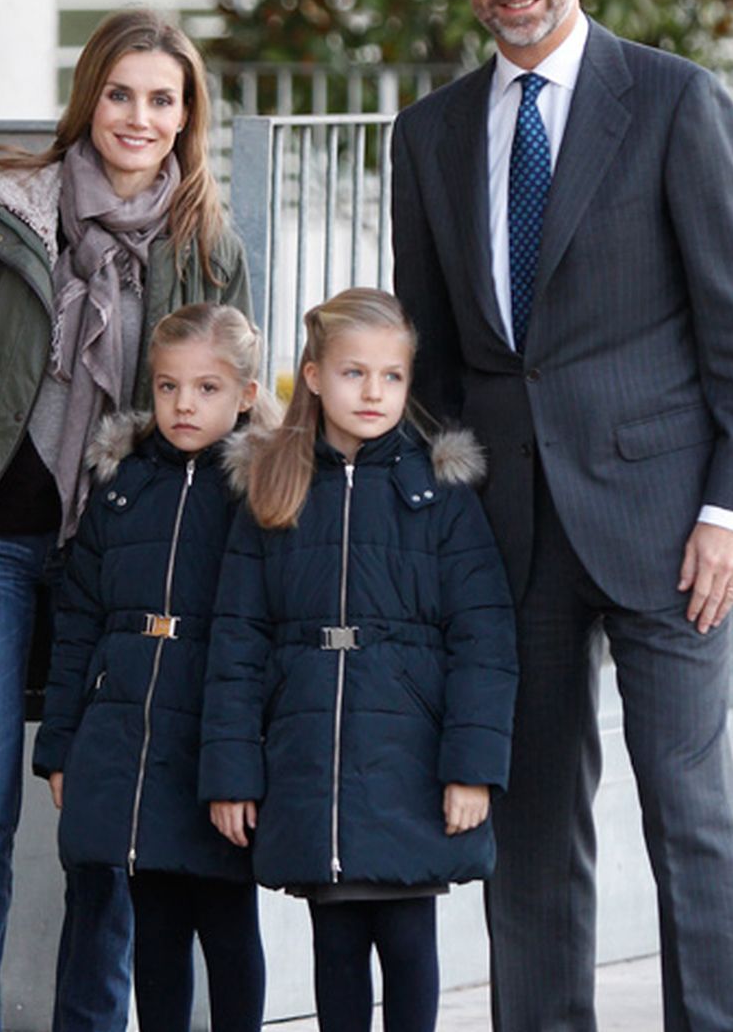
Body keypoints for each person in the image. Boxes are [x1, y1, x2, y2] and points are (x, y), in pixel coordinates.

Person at [391, 0, 733, 1032]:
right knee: (530, 827)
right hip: (508, 537)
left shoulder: (672, 100)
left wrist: (732, 511)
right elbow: (433, 363)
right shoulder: (430, 133)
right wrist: (444, 526)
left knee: (689, 813)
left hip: (672, 531)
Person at [0, 9, 252, 1032]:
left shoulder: (205, 242)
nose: (138, 117)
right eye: (120, 93)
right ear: (91, 97)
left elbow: (230, 421)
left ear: (186, 115)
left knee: (109, 818)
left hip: (124, 568)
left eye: (161, 98)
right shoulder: (10, 217)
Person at [201, 288, 518, 1032]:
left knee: (407, 941)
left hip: (408, 764)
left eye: (392, 377)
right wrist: (233, 772)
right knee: (335, 944)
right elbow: (237, 642)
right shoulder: (275, 488)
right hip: (311, 765)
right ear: (312, 375)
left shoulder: (439, 495)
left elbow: (485, 639)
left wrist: (471, 766)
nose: (373, 393)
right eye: (353, 374)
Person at [33, 303, 277, 1032]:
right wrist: (59, 744)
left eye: (207, 388)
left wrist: (253, 760)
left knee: (227, 921)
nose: (183, 405)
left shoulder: (264, 495)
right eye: (168, 387)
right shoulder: (122, 488)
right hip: (127, 740)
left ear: (246, 394)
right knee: (156, 925)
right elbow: (78, 624)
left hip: (216, 745)